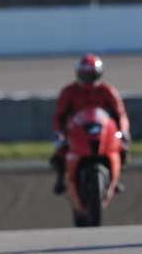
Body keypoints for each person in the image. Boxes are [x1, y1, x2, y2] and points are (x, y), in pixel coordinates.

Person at [50, 54, 130, 194]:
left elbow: (120, 114)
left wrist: (122, 131)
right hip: (76, 130)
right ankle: (61, 178)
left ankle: (115, 178)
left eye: (91, 75)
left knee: (122, 148)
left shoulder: (107, 91)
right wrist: (59, 132)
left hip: (103, 130)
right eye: (85, 75)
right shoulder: (69, 91)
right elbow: (59, 116)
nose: (88, 79)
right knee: (59, 152)